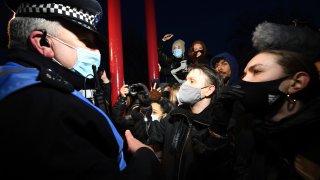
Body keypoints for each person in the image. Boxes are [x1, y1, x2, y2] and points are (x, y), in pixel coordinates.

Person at [0, 0, 162, 179]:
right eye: (86, 42)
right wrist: (147, 159)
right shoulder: (50, 108)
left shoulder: (19, 83)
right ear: (43, 42)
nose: (96, 53)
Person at [136, 63, 239, 180]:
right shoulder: (175, 117)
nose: (184, 85)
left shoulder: (217, 127)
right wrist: (145, 108)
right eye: (186, 80)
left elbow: (220, 168)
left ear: (209, 90)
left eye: (192, 81)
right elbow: (149, 134)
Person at [232, 49, 320, 179]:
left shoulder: (312, 148)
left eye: (257, 71)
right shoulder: (249, 130)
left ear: (296, 83)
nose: (244, 81)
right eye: (244, 75)